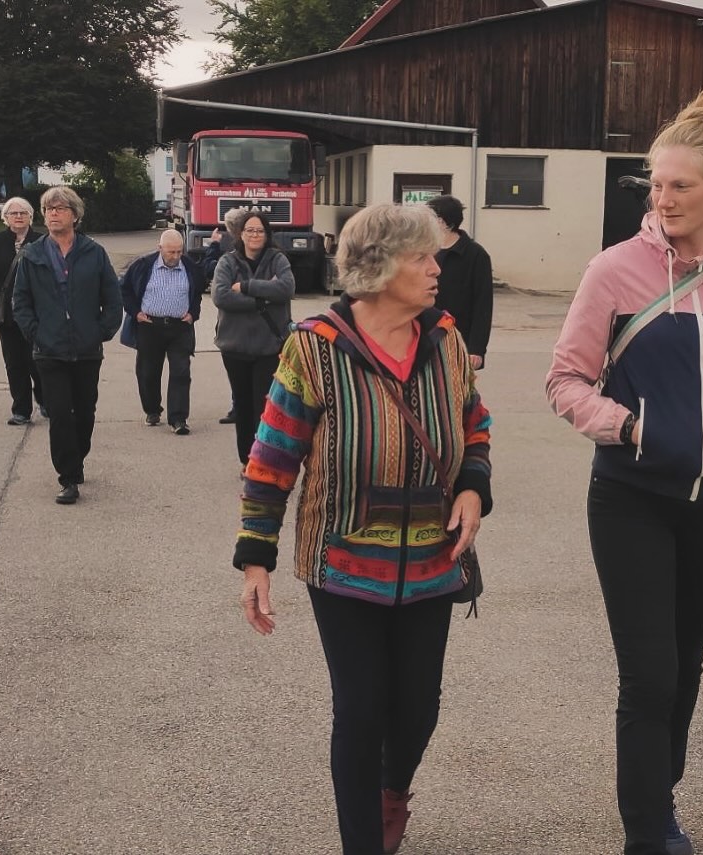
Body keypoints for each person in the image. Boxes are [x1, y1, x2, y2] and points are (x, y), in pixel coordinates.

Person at [546, 89, 703, 855]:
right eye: (655, 183)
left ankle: (657, 788)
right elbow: (564, 380)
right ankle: (647, 832)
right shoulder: (613, 271)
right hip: (632, 497)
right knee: (648, 674)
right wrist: (630, 427)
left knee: (686, 662)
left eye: (680, 184)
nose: (663, 198)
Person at [235, 203, 492, 855]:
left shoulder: (445, 338)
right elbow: (272, 455)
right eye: (421, 257)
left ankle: (391, 790)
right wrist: (256, 557)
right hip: (343, 561)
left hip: (432, 559)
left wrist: (472, 486)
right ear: (378, 268)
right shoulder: (314, 347)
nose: (437, 269)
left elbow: (474, 422)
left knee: (417, 709)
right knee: (359, 710)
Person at [13, 186, 122, 505]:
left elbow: (112, 298)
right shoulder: (32, 255)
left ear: (75, 215)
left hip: (87, 350)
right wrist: (36, 333)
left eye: (60, 208)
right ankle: (68, 477)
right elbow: (21, 301)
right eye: (48, 209)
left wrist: (100, 331)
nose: (53, 214)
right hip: (49, 351)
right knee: (60, 414)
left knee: (85, 412)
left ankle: (77, 458)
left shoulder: (94, 252)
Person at [211, 208, 294, 475]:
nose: (254, 235)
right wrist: (264, 296)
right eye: (249, 230)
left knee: (265, 407)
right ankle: (247, 461)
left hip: (269, 347)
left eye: (259, 230)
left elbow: (286, 288)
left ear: (267, 234)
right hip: (235, 347)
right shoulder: (228, 262)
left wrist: (246, 287)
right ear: (241, 234)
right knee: (243, 406)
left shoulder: (278, 259)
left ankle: (264, 460)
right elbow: (221, 296)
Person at [119, 229, 205, 435]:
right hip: (150, 326)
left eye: (179, 251)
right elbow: (124, 289)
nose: (175, 256)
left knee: (181, 372)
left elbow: (197, 292)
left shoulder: (190, 267)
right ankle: (152, 409)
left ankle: (178, 419)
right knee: (148, 373)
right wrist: (135, 312)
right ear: (160, 248)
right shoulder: (143, 265)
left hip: (180, 327)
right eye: (171, 252)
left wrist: (193, 313)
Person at [0, 197, 45, 424]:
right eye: (13, 213)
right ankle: (21, 410)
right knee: (14, 363)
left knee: (38, 361)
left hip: (37, 313)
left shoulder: (42, 241)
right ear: (6, 218)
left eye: (23, 213)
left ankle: (46, 400)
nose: (18, 216)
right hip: (7, 315)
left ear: (31, 216)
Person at [426, 194, 493, 369]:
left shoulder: (476, 255)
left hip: (459, 339)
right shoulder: (426, 251)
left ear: (442, 222)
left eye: (429, 219)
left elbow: (483, 305)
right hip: (426, 337)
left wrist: (477, 349)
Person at [202, 223, 238, 424]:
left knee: (238, 368)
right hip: (241, 325)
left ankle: (239, 407)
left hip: (232, 325)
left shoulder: (231, 259)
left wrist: (214, 245)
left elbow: (209, 270)